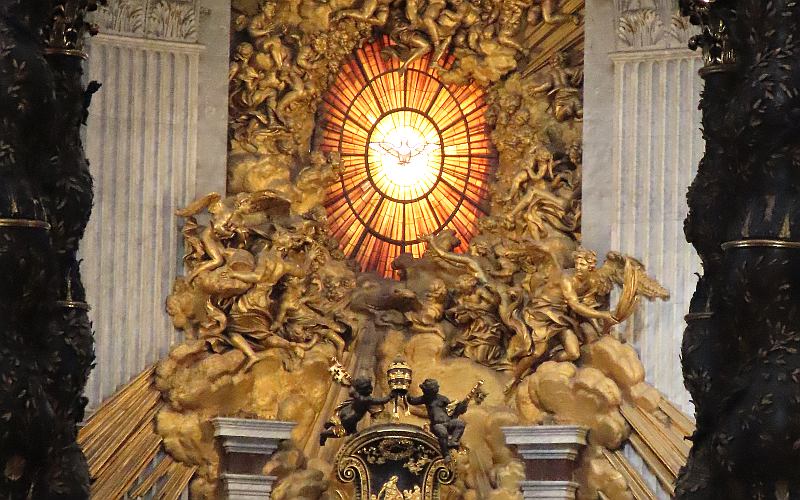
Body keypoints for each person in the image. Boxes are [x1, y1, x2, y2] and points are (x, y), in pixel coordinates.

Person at [320, 377, 392, 445]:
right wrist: (391, 395)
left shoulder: (357, 395)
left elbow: (351, 390)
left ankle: (330, 425)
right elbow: (382, 400)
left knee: (351, 430)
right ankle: (324, 434)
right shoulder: (366, 399)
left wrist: (350, 384)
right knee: (345, 431)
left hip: (345, 412)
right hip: (350, 419)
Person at [407, 379, 467, 461]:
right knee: (443, 433)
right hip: (437, 424)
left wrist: (461, 407)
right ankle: (446, 454)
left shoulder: (443, 399)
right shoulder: (426, 399)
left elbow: (452, 411)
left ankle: (453, 441)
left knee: (460, 423)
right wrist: (405, 391)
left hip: (449, 422)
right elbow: (412, 401)